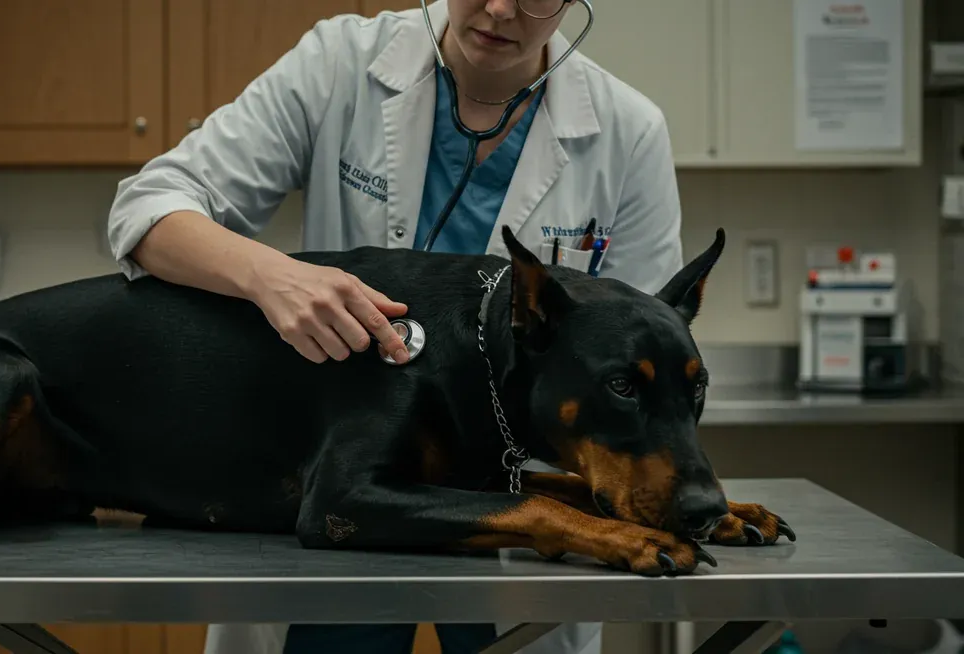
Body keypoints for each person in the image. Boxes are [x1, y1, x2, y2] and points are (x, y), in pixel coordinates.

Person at [107, 0, 684, 651]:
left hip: (514, 526)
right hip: (346, 498)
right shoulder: (343, 65)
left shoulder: (626, 131)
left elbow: (648, 356)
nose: (500, 8)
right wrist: (272, 278)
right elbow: (148, 209)